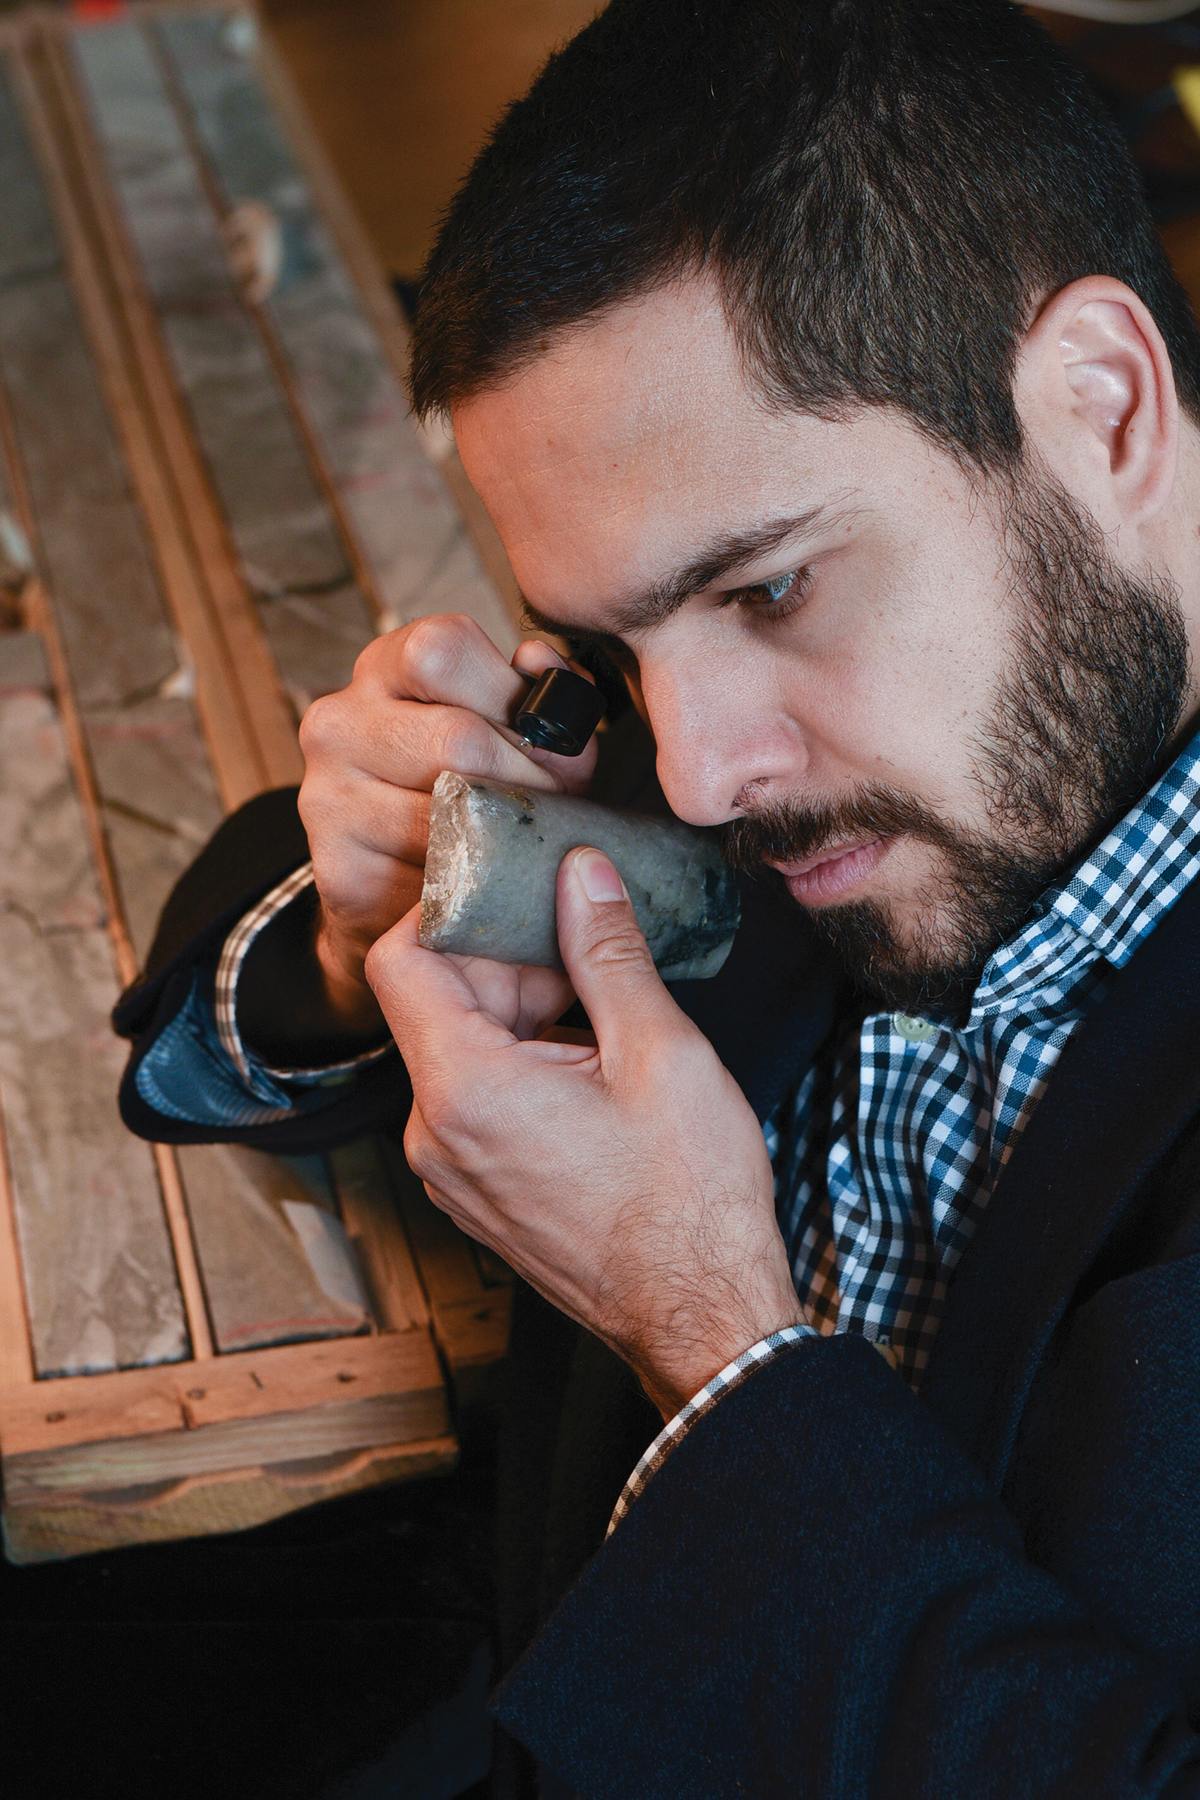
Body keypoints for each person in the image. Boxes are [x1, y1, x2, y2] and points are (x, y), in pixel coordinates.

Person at [115, 1, 1200, 1791]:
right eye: (619, 641)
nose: (693, 775)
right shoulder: (806, 744)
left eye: (770, 592)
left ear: (1102, 404)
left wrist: (710, 1342)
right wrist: (346, 926)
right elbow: (242, 934)